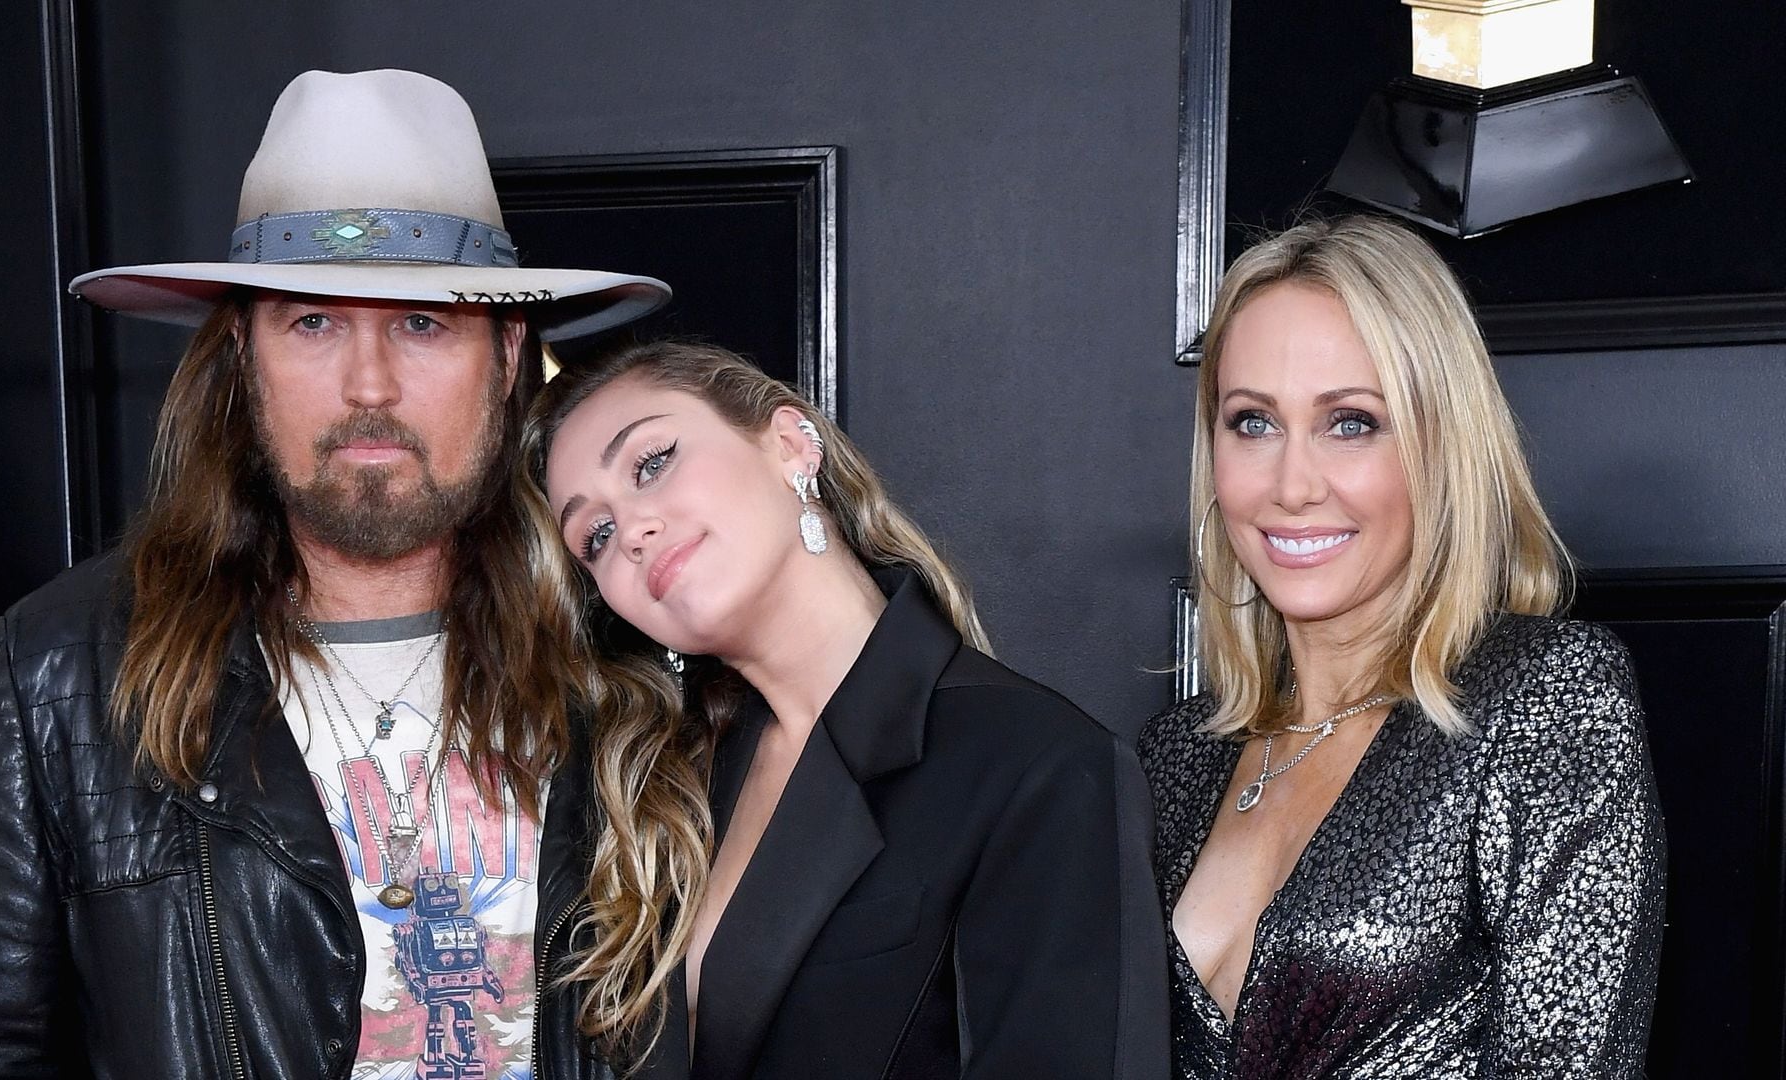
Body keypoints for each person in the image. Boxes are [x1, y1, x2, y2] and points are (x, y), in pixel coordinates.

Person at [0, 69, 669, 1079]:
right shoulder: (62, 671)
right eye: (313, 323)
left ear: (509, 354)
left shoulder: (629, 648)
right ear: (244, 358)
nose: (369, 384)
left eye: (423, 324)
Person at [522, 340, 1170, 1079]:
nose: (632, 531)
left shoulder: (1038, 765)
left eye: (652, 462)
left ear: (791, 443)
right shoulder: (667, 796)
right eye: (595, 537)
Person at [1139, 215, 1666, 1078]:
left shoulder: (1547, 697)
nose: (1292, 485)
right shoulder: (1176, 759)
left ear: (1439, 448)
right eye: (1252, 423)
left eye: (1350, 423)